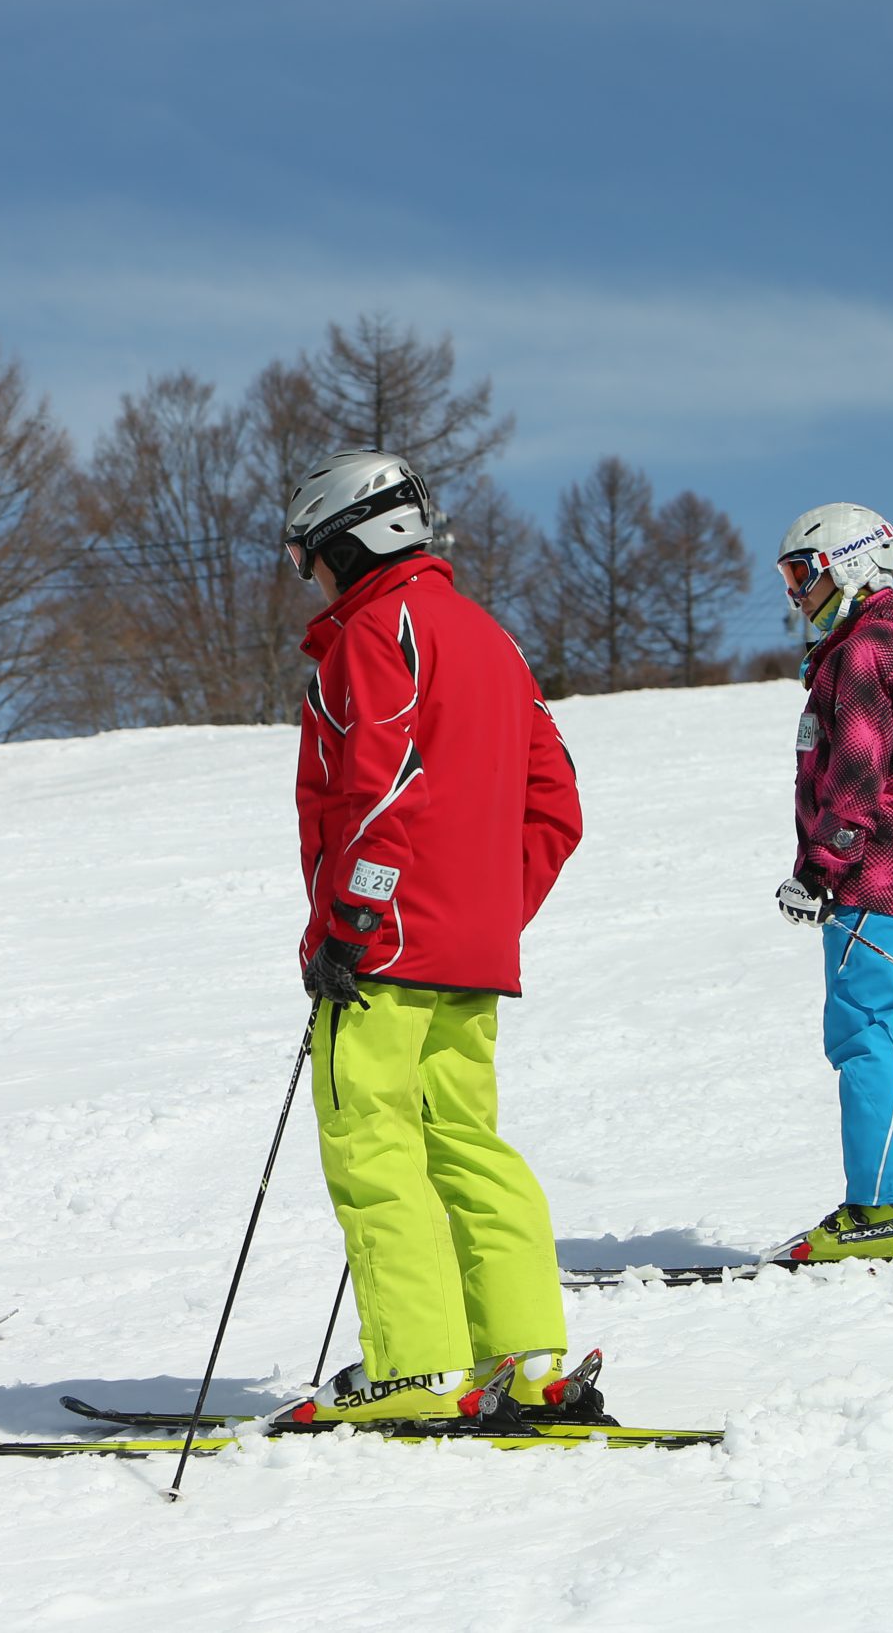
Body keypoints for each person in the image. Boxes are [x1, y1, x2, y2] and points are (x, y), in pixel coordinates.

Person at [268, 450, 595, 1429]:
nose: (310, 582)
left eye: (307, 560)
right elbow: (556, 801)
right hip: (465, 955)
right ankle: (525, 1361)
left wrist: (354, 924)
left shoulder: (378, 632)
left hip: (380, 954)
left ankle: (414, 1371)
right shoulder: (492, 640)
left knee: (375, 1153)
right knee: (465, 1145)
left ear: (346, 544)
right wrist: (483, 911)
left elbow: (378, 784)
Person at [764, 504, 893, 1262]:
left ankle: (889, 1204)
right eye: (788, 577)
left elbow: (856, 780)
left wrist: (820, 868)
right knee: (876, 1029)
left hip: (875, 875)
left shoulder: (865, 652)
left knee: (861, 1032)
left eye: (803, 573)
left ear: (852, 564)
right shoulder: (887, 647)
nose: (795, 593)